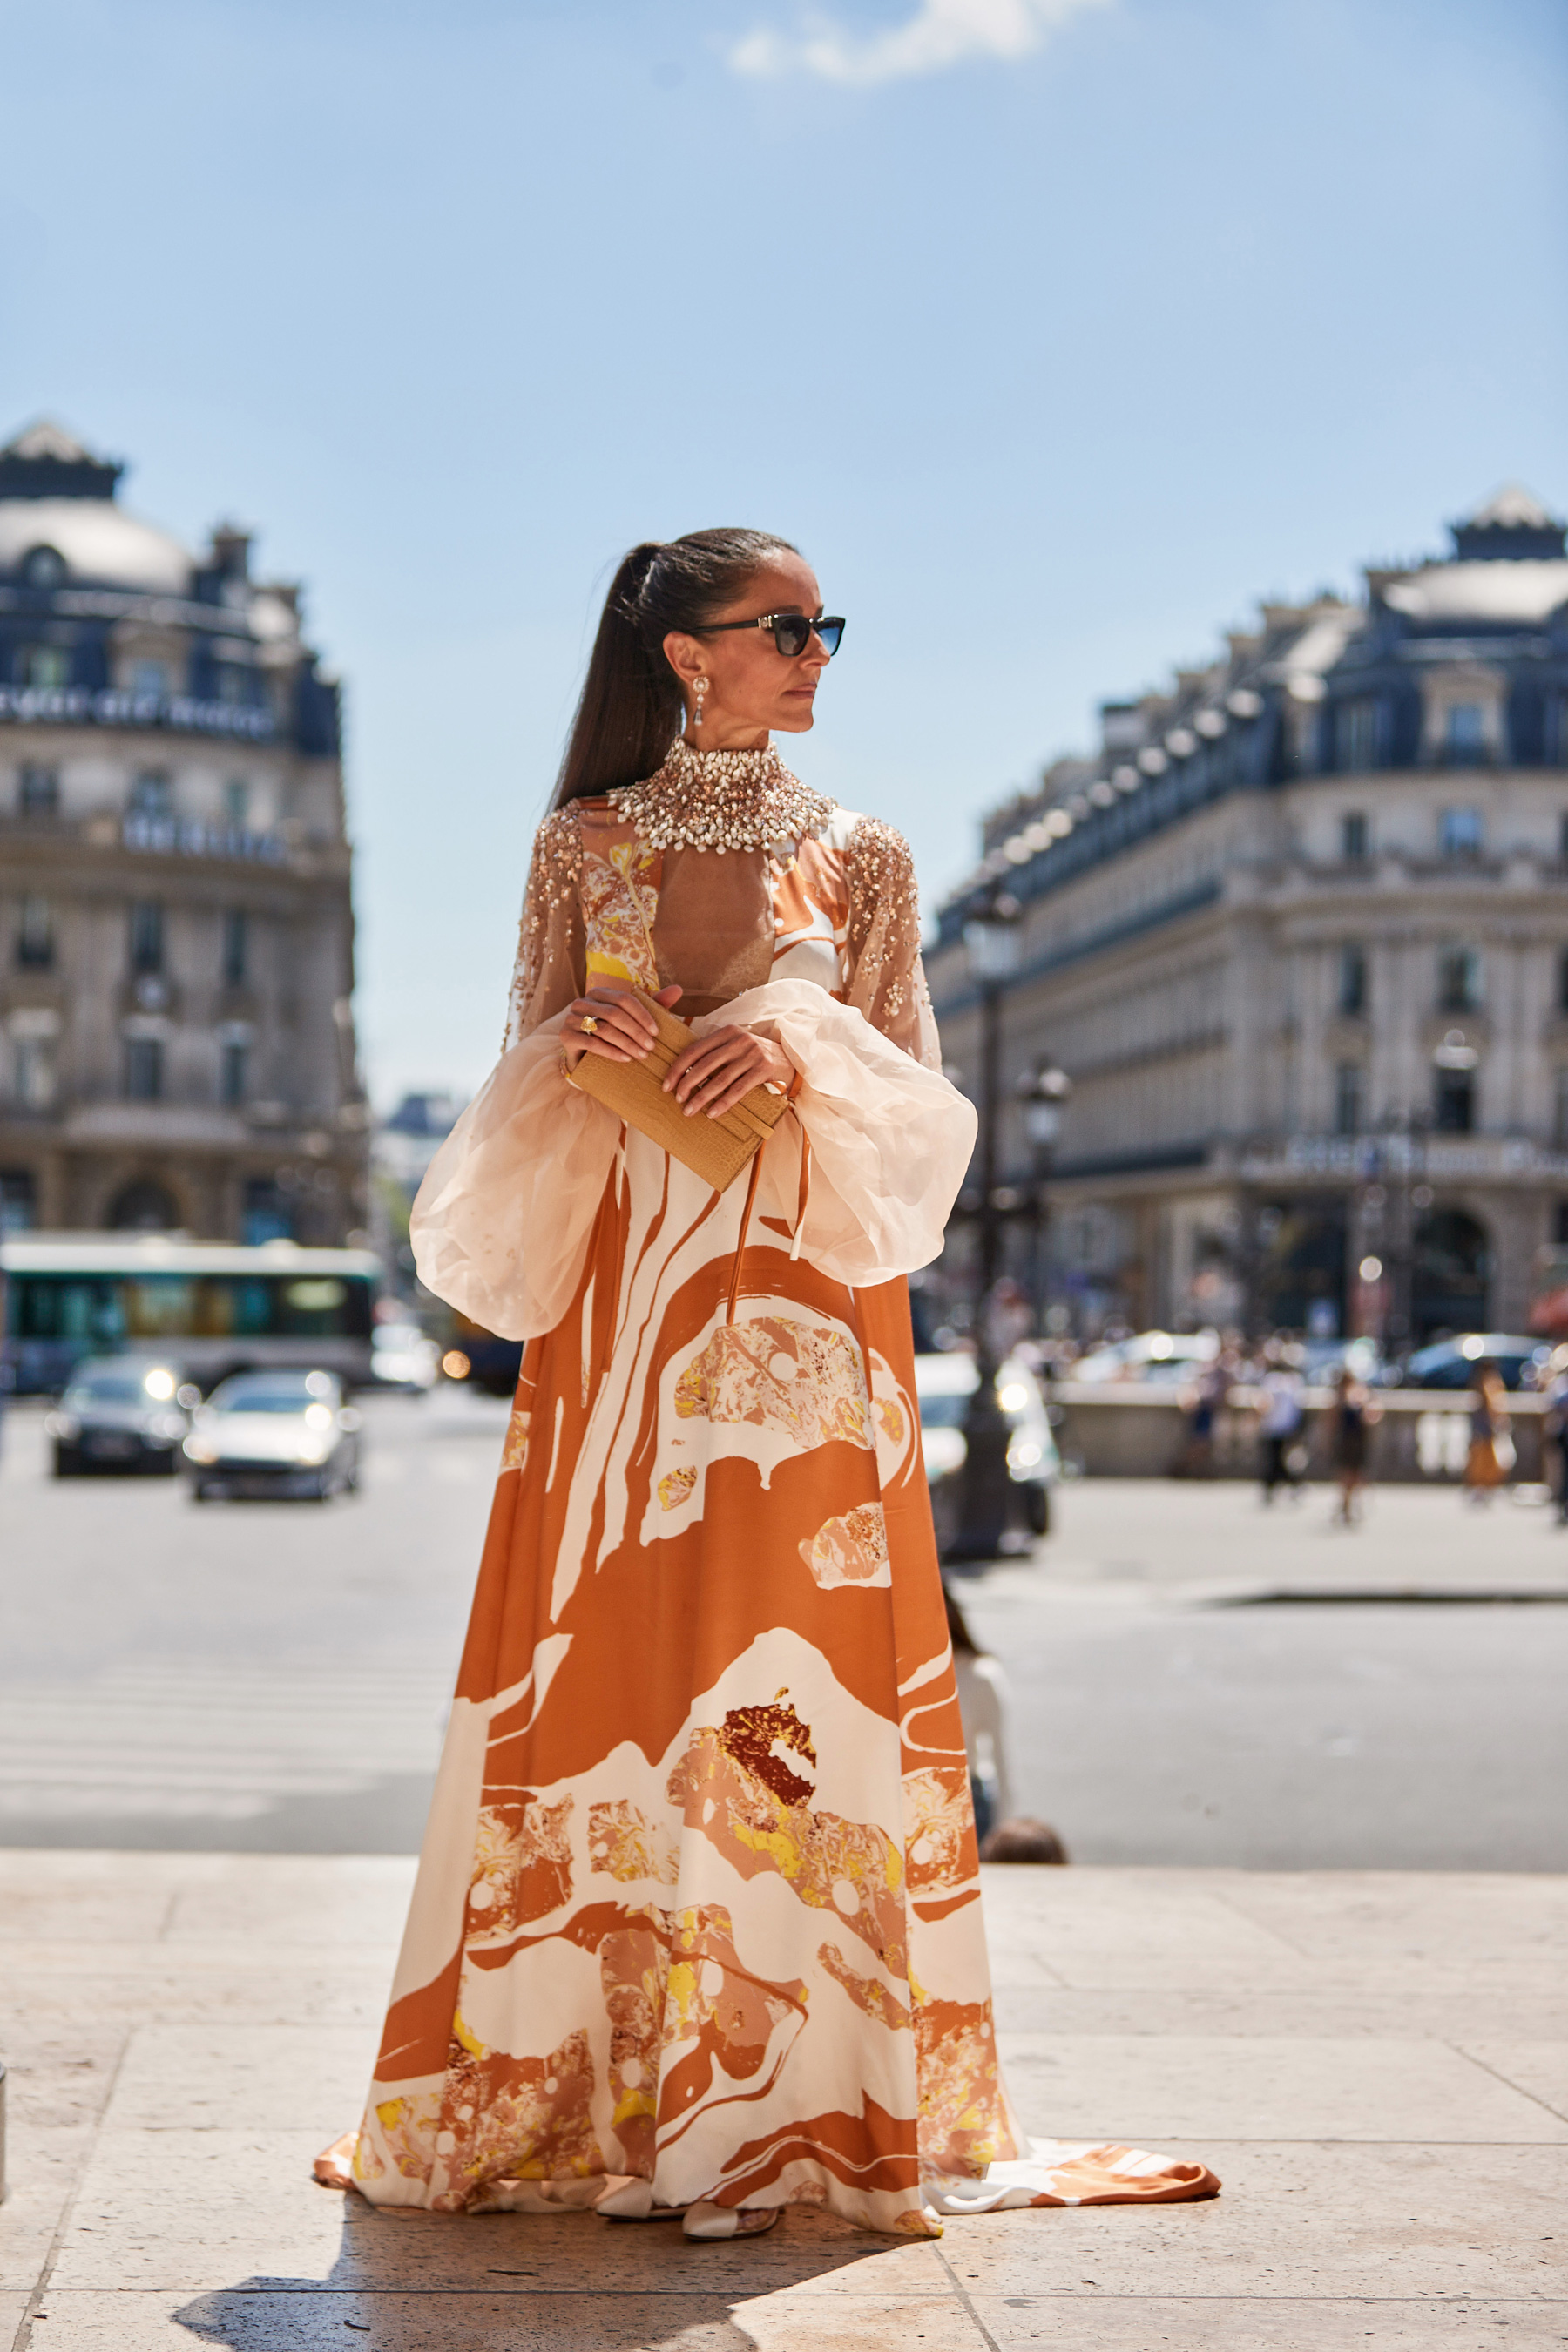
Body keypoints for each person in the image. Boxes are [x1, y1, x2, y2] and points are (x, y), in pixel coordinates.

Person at [314, 530, 1217, 2237]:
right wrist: (593, 1052)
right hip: (627, 1312)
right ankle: (590, 2090)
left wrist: (797, 1040)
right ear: (687, 655)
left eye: (826, 627)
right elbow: (529, 1089)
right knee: (620, 1669)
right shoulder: (580, 842)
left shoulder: (860, 854)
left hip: (809, 1315)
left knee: (796, 1683)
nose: (817, 653)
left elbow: (919, 1112)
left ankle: (797, 2103)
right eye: (784, 626)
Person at [943, 1586, 1015, 1845]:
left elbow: (999, 1750)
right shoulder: (899, 1672)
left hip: (968, 1798)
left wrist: (1004, 1823)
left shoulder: (981, 1674)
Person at [1328, 1364, 1380, 1524]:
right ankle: (1348, 1504)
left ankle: (1348, 1503)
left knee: (1352, 1473)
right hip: (1350, 1439)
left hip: (1352, 1439)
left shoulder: (1353, 1394)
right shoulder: (1346, 1395)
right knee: (1350, 1473)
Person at [1257, 1341, 1306, 1504]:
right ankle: (1284, 1486)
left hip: (1285, 1426)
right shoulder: (1278, 1380)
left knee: (1283, 1460)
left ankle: (1286, 1485)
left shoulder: (1291, 1381)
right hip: (1275, 1426)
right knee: (1275, 1459)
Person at [1463, 1360, 1513, 1504]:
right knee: (1485, 1459)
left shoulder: (1485, 1382)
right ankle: (1483, 1487)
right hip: (1486, 1428)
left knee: (1484, 1459)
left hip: (1483, 1428)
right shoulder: (1488, 1383)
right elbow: (1494, 1407)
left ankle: (1484, 1487)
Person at [1543, 1346, 1568, 1524]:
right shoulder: (1560, 1385)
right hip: (1563, 1434)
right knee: (1562, 1472)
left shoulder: (1559, 1385)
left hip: (1562, 1433)